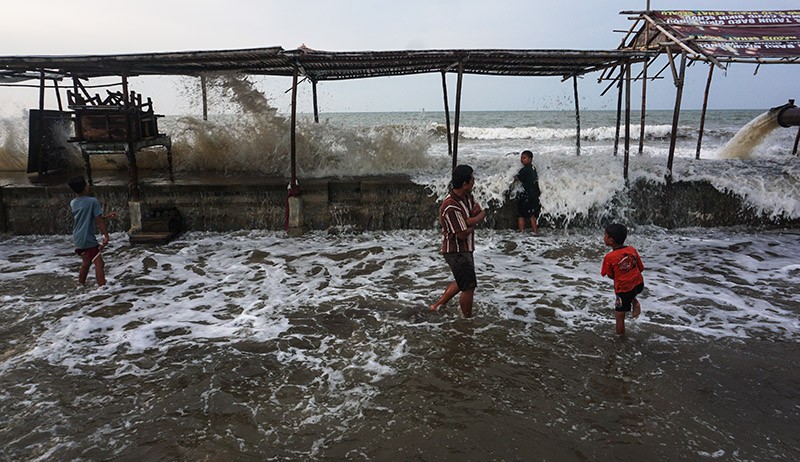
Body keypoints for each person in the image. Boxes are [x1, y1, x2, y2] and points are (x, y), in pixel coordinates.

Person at [430, 165, 486, 317]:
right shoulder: (451, 206)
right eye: (472, 179)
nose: (474, 182)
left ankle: (437, 305)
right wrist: (472, 223)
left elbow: (480, 212)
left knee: (462, 281)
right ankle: (467, 318)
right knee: (468, 286)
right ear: (465, 184)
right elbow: (461, 234)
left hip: (465, 248)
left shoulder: (467, 196)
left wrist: (469, 221)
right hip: (456, 251)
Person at [68, 176, 117, 287]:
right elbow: (98, 220)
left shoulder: (73, 203)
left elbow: (87, 217)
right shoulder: (92, 201)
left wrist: (106, 216)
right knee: (99, 263)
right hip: (87, 237)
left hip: (77, 238)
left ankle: (80, 284)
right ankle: (102, 288)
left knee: (86, 262)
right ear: (85, 187)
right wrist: (106, 235)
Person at [601, 223, 645, 336]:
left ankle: (620, 338)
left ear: (611, 240)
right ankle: (634, 302)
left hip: (624, 290)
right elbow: (641, 268)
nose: (603, 237)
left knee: (619, 316)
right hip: (639, 284)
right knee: (630, 291)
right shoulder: (632, 249)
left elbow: (610, 275)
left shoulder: (609, 257)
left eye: (605, 235)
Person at [514, 150, 541, 233]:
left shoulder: (525, 170)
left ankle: (521, 232)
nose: (522, 160)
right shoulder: (533, 168)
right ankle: (535, 232)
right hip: (534, 194)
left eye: (524, 158)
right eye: (521, 158)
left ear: (530, 159)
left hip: (526, 195)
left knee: (521, 215)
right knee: (532, 216)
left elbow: (516, 178)